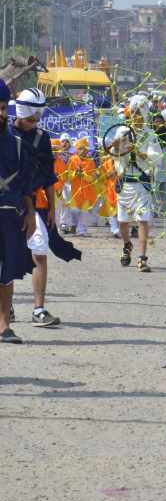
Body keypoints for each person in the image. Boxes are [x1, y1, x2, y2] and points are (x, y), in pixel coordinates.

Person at [11, 88, 81, 328]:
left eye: (37, 119)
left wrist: (52, 207)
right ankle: (6, 307)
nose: (33, 124)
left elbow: (49, 177)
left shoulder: (42, 139)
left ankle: (38, 309)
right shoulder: (4, 135)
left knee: (39, 251)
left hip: (36, 203)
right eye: (30, 119)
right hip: (7, 203)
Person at [0, 79, 36, 343]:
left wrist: (31, 213)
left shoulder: (18, 144)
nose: (0, 114)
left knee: (7, 271)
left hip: (10, 215)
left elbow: (25, 183)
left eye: (3, 108)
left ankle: (3, 325)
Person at [110, 94, 163, 272]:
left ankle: (142, 257)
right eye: (133, 112)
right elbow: (114, 155)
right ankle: (127, 245)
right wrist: (116, 147)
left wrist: (138, 152)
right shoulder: (122, 132)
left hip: (141, 183)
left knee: (143, 220)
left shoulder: (150, 135)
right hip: (125, 183)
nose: (135, 116)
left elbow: (156, 157)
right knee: (122, 221)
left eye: (139, 112)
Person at [66, 138, 98, 236]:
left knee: (84, 211)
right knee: (74, 210)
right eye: (80, 148)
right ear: (76, 149)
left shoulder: (91, 162)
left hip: (87, 191)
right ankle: (73, 225)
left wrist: (83, 176)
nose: (83, 151)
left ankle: (82, 230)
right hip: (75, 191)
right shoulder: (72, 160)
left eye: (84, 149)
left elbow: (93, 178)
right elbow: (67, 176)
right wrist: (76, 174)